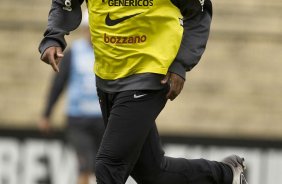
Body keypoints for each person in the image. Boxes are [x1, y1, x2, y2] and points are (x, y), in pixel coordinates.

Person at [38, 0, 249, 184]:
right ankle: (227, 174)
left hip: (153, 73)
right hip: (107, 77)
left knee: (107, 166)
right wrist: (54, 36)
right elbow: (64, 2)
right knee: (153, 174)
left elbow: (199, 12)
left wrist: (180, 65)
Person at [38, 10, 105, 184]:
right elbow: (59, 84)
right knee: (85, 165)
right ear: (84, 30)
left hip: (103, 119)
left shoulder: (109, 54)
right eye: (88, 29)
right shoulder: (74, 52)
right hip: (78, 120)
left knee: (104, 166)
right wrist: (47, 113)